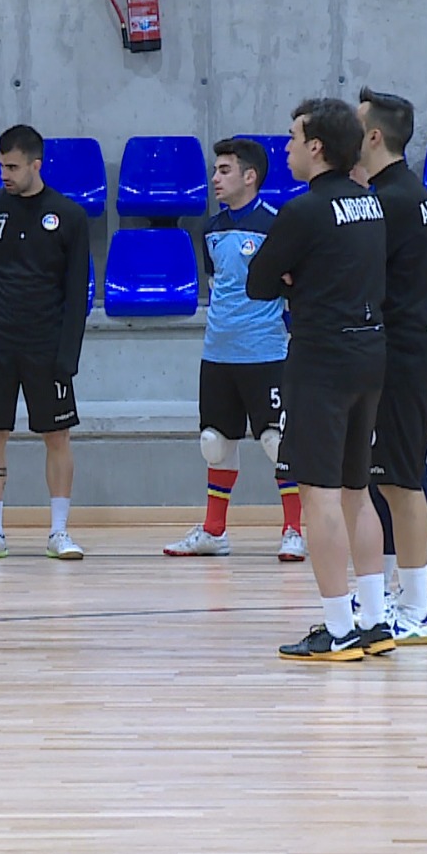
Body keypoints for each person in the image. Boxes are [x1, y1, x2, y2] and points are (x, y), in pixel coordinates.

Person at [247, 97, 393, 662]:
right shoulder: (371, 204)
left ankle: (337, 629)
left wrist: (293, 276)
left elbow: (259, 281)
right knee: (358, 490)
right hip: (369, 352)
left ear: (315, 147)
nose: (284, 149)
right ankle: (376, 620)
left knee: (318, 493)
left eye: (291, 139)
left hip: (321, 357)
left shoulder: (303, 212)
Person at [162, 138, 305, 562]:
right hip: (218, 354)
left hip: (266, 354)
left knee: (277, 442)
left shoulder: (280, 225)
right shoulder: (210, 230)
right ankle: (214, 530)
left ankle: (294, 529)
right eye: (214, 170)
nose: (215, 179)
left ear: (250, 176)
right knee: (215, 443)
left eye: (224, 170)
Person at [0, 125, 91, 561]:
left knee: (57, 435)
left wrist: (68, 354)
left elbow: (77, 294)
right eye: (0, 165)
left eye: (12, 166)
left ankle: (58, 532)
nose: (5, 174)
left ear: (37, 164)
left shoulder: (68, 216)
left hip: (46, 344)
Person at [352, 88, 427, 643]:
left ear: (374, 135)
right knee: (388, 480)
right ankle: (400, 593)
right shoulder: (406, 190)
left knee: (402, 482)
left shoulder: (392, 198)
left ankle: (418, 607)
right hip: (408, 346)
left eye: (356, 122)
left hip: (404, 351)